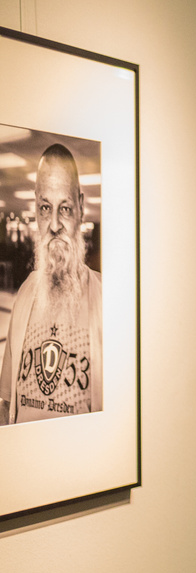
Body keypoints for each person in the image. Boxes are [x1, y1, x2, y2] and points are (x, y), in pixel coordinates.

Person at [0, 144, 103, 424]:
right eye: (46, 208)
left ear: (81, 207)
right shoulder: (24, 294)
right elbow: (6, 403)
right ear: (35, 207)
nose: (55, 223)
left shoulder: (107, 302)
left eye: (65, 208)